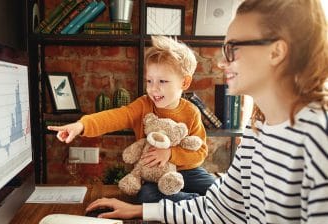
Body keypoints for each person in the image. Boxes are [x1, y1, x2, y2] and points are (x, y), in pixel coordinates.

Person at [84, 0, 328, 223]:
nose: (222, 62)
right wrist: (142, 211)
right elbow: (220, 207)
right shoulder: (257, 132)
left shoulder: (318, 136)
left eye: (232, 48)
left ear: (276, 52)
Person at [47, 35, 215, 203]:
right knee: (147, 195)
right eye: (149, 81)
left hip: (189, 172)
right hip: (153, 173)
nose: (153, 88)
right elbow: (113, 117)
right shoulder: (143, 105)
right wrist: (80, 126)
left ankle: (196, 204)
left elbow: (200, 152)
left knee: (217, 188)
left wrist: (171, 153)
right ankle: (196, 204)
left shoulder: (191, 112)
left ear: (184, 83)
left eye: (162, 81)